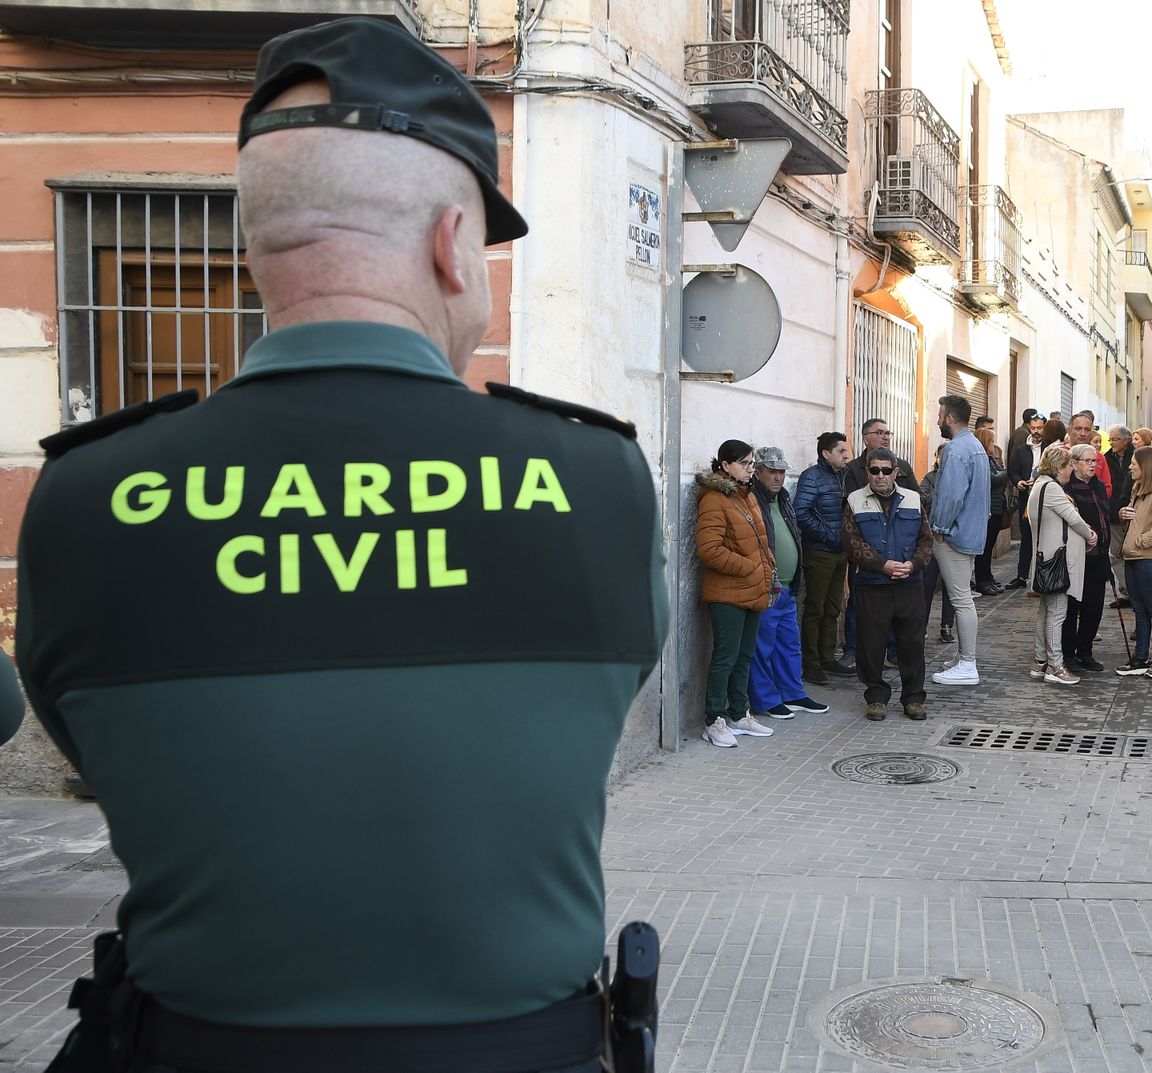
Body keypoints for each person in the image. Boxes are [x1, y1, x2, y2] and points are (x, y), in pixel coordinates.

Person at [15, 19, 667, 1070]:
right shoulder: (596, 480)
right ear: (454, 243)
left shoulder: (86, 494)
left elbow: (92, 748)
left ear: (258, 242)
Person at [697, 441, 780, 747]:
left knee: (744, 656)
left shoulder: (747, 496)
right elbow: (709, 549)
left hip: (754, 589)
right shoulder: (714, 498)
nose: (750, 469)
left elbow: (760, 541)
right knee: (725, 657)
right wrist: (748, 567)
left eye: (751, 464)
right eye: (745, 464)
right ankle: (713, 719)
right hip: (728, 593)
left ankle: (738, 713)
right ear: (725, 465)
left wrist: (768, 571)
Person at [843, 448, 934, 720]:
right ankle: (876, 696)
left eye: (885, 470)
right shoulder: (855, 500)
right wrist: (881, 564)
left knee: (912, 644)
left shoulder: (913, 499)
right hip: (873, 584)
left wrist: (914, 564)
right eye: (874, 470)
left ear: (896, 472)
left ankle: (913, 698)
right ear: (868, 472)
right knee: (871, 643)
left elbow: (926, 541)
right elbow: (852, 542)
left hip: (910, 583)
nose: (880, 476)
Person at [748, 446, 829, 719]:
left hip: (788, 586)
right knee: (762, 646)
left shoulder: (782, 499)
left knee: (789, 644)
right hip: (766, 587)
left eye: (781, 472)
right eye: (772, 471)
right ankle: (766, 700)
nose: (778, 477)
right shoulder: (751, 499)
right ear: (757, 472)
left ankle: (792, 693)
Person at [928, 394, 990, 685]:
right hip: (968, 532)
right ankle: (964, 658)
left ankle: (968, 663)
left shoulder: (956, 449)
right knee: (962, 596)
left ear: (950, 418)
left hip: (954, 535)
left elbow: (952, 494)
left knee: (961, 599)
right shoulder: (975, 446)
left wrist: (939, 526)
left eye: (941, 415)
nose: (938, 420)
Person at [1026, 447, 1098, 685]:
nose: (1071, 470)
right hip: (1057, 561)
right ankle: (1055, 666)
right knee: (1057, 613)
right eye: (1069, 465)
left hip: (1045, 559)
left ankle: (1039, 661)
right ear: (1060, 467)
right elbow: (1073, 518)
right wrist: (1090, 535)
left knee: (1046, 611)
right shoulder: (1053, 488)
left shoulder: (1039, 485)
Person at [795, 431, 852, 684]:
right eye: (841, 451)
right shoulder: (812, 477)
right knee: (815, 609)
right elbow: (801, 512)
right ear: (825, 453)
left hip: (840, 552)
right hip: (820, 552)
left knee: (833, 607)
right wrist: (829, 536)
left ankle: (828, 656)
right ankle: (812, 663)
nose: (846, 455)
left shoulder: (843, 476)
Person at [1115, 446, 1152, 678]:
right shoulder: (1138, 489)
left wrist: (1140, 541)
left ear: (1146, 466)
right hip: (1133, 558)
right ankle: (1140, 658)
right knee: (1140, 610)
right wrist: (1123, 514)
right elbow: (1138, 520)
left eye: (1134, 463)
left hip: (1149, 560)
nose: (1130, 466)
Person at [1061, 443, 1113, 672]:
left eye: (1095, 462)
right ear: (1074, 463)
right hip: (1077, 556)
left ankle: (1085, 651)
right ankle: (1068, 653)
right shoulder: (1068, 488)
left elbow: (1104, 516)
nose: (1093, 465)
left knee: (1094, 608)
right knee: (1072, 607)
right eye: (1088, 461)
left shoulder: (1099, 486)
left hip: (1099, 556)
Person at [919, 444, 956, 642]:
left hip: (952, 538)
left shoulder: (958, 478)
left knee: (951, 585)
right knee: (927, 583)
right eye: (942, 456)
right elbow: (922, 498)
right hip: (932, 537)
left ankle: (947, 626)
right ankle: (921, 626)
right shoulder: (930, 478)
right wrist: (940, 489)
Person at [1007, 413, 1047, 589]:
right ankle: (1022, 575)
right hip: (1026, 499)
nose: (1036, 432)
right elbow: (1012, 471)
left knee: (1044, 539)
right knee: (1026, 539)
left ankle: (1042, 575)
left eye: (1040, 428)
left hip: (1045, 500)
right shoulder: (1022, 449)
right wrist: (1019, 482)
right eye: (1033, 428)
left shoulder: (1050, 448)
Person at [973, 426, 1010, 596]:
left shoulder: (990, 458)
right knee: (985, 548)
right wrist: (1007, 472)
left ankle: (987, 576)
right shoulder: (983, 460)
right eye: (991, 441)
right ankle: (983, 580)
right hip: (989, 508)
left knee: (989, 546)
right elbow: (994, 478)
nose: (994, 445)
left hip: (996, 507)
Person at [1104, 423, 1135, 606]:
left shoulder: (1137, 456)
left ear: (1126, 441)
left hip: (1133, 511)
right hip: (1114, 511)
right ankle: (1126, 593)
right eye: (1111, 439)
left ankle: (1136, 591)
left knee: (1133, 553)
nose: (1111, 442)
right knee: (1116, 553)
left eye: (1115, 439)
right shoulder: (1107, 459)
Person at [844, 418, 918, 494]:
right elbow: (852, 500)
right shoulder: (852, 469)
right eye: (880, 433)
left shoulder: (903, 466)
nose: (886, 438)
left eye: (888, 433)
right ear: (866, 439)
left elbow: (917, 497)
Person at [1069, 410, 1114, 495]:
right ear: (1069, 430)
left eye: (1087, 430)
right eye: (1078, 429)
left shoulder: (1099, 457)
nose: (1083, 433)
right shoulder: (1060, 454)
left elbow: (1107, 488)